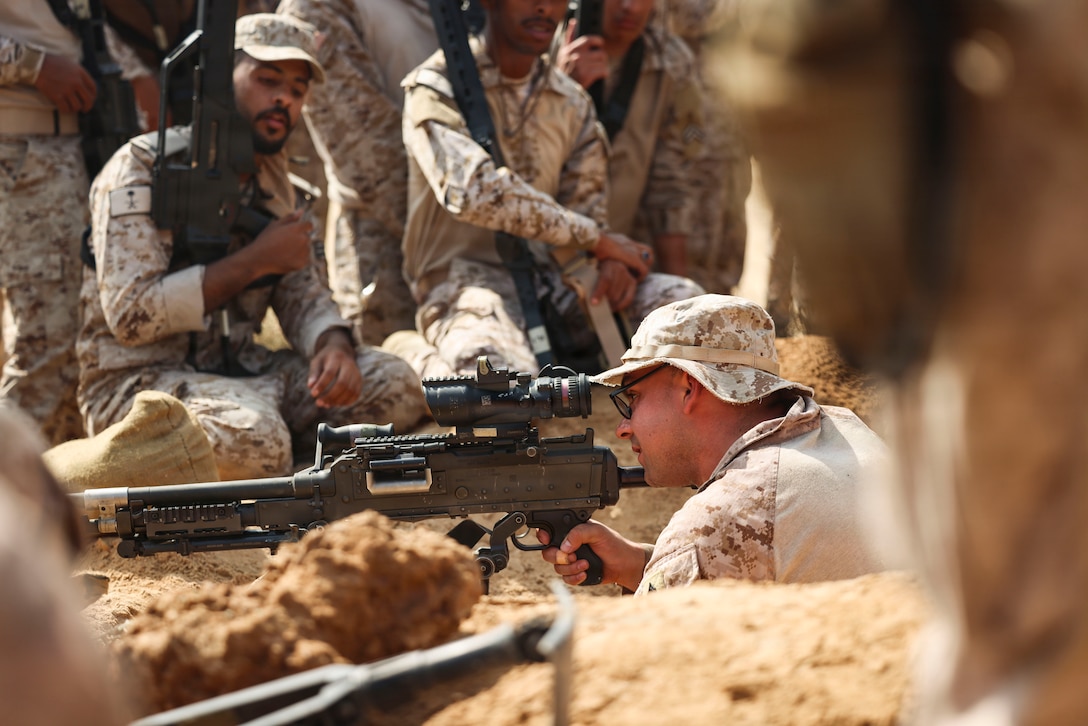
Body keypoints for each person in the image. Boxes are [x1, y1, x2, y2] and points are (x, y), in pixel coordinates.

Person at [78, 13, 430, 481]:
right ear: (221, 81)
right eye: (268, 80)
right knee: (255, 438)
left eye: (298, 90)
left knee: (395, 385)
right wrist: (255, 260)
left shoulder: (279, 187)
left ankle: (290, 471)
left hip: (246, 375)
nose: (284, 98)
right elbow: (131, 316)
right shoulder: (141, 170)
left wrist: (333, 346)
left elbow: (305, 296)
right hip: (140, 383)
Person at [388, 0, 704, 379]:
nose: (544, 8)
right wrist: (598, 240)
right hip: (465, 288)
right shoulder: (436, 89)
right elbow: (474, 193)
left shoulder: (571, 101)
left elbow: (588, 213)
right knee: (502, 383)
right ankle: (413, 357)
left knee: (695, 315)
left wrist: (609, 263)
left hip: (558, 283)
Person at [540, 293, 888, 593]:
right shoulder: (846, 429)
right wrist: (638, 564)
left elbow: (647, 642)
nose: (623, 428)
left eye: (633, 398)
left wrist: (675, 558)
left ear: (688, 388)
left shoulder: (723, 518)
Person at [277, 0, 438, 346]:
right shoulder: (317, 7)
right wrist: (452, 236)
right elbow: (366, 155)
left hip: (467, 235)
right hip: (390, 246)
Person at [0, 1, 97, 445]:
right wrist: (34, 66)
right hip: (21, 148)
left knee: (70, 353)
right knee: (47, 352)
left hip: (68, 146)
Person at [556, 0, 704, 278]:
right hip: (538, 251)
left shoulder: (670, 60)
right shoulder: (539, 46)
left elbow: (669, 185)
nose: (630, 7)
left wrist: (681, 289)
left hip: (614, 259)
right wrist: (560, 87)